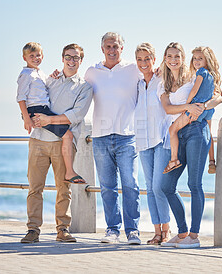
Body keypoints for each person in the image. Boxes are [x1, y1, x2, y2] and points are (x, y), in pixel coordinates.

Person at [20, 43, 93, 243]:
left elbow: (76, 115)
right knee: (35, 187)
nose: (71, 60)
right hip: (38, 140)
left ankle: (62, 229)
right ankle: (33, 229)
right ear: (62, 58)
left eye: (76, 57)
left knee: (64, 188)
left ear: (81, 60)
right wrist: (27, 116)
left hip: (63, 143)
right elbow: (31, 98)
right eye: (68, 57)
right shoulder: (49, 80)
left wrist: (49, 120)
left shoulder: (85, 87)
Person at [158, 42, 222, 248]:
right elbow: (168, 109)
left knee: (194, 184)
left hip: (196, 131)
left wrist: (203, 106)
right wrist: (189, 106)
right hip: (179, 133)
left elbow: (218, 96)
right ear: (165, 59)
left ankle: (194, 237)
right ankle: (183, 231)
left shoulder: (193, 76)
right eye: (169, 56)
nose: (173, 60)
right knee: (166, 185)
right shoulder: (164, 84)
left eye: (177, 56)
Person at [84, 32, 142, 245]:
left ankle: (133, 231)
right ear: (102, 49)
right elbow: (76, 90)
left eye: (115, 46)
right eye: (108, 46)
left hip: (127, 136)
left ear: (121, 48)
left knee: (131, 185)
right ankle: (112, 230)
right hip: (100, 136)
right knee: (107, 186)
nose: (112, 50)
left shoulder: (133, 69)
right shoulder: (92, 71)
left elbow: (156, 80)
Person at [16, 42, 85, 184]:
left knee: (68, 135)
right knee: (68, 135)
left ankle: (69, 171)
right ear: (24, 58)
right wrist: (26, 119)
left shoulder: (40, 73)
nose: (35, 58)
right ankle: (70, 171)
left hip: (43, 109)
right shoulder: (25, 74)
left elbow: (45, 85)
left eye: (38, 55)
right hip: (37, 110)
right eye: (31, 56)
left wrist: (53, 76)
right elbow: (20, 97)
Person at [163, 46, 222, 174]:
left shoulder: (199, 73)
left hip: (195, 108)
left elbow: (195, 90)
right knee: (209, 133)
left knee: (172, 129)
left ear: (207, 60)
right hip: (206, 109)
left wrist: (188, 104)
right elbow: (218, 94)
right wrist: (206, 106)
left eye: (200, 58)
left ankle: (174, 160)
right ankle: (212, 161)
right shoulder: (212, 76)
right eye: (195, 58)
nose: (196, 61)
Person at [134, 43, 171, 244]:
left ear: (154, 59)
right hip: (142, 141)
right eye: (139, 59)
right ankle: (156, 231)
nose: (143, 63)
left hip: (161, 139)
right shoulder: (138, 84)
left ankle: (166, 229)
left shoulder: (162, 80)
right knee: (149, 187)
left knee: (159, 186)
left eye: (147, 58)